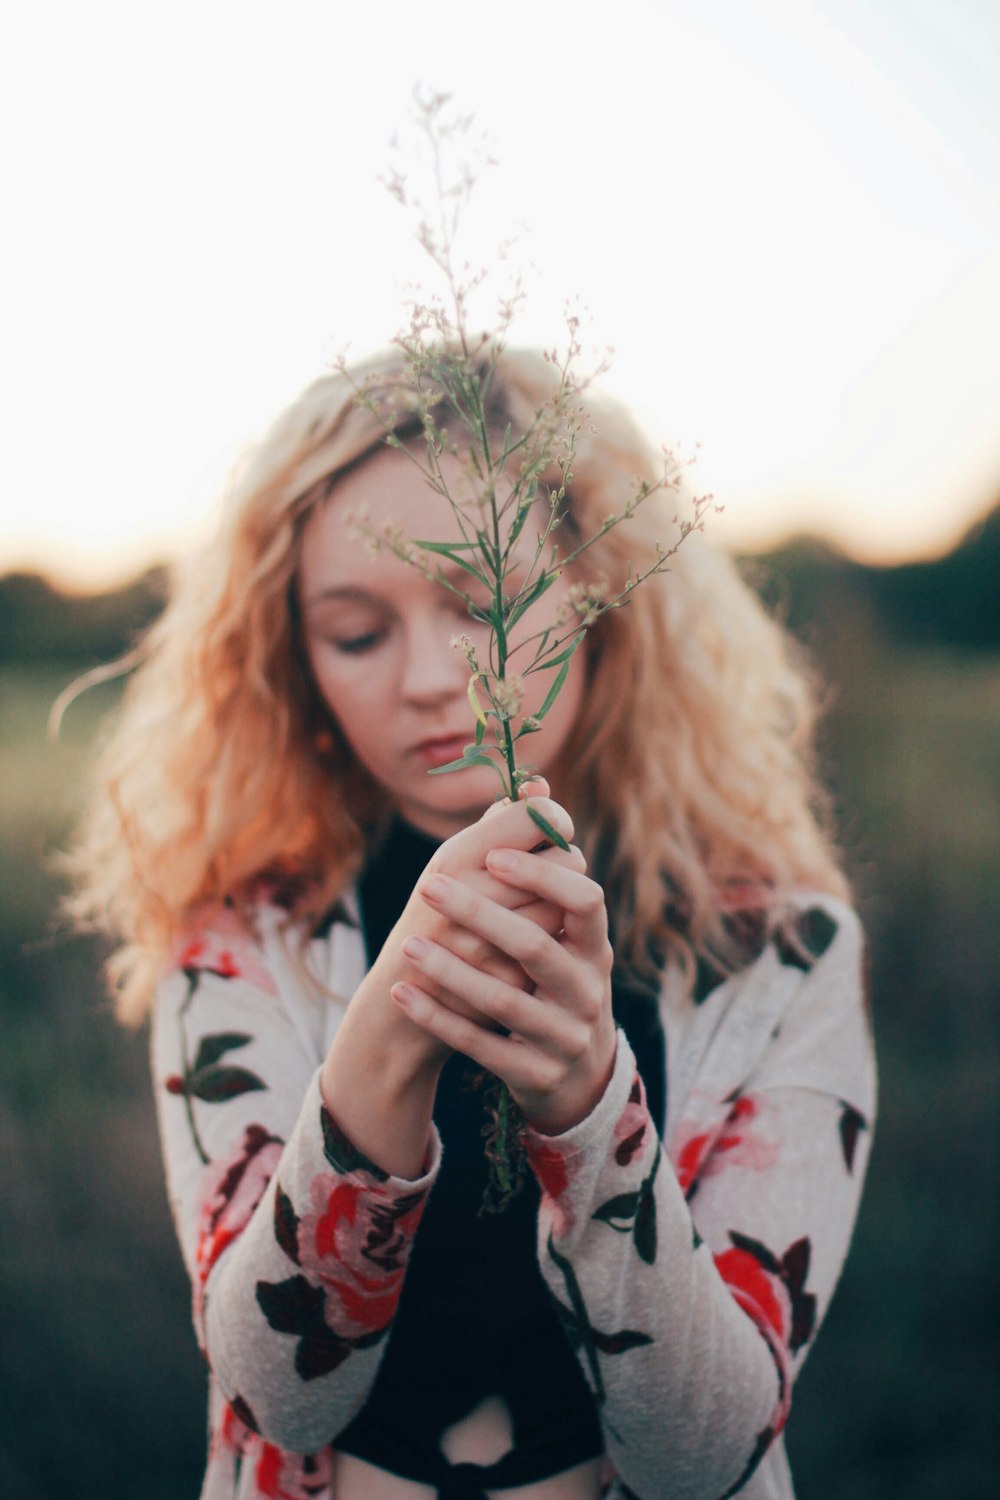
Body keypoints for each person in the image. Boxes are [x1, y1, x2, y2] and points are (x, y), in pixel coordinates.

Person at [66, 347, 876, 1500]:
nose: (433, 679)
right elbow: (278, 1392)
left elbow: (707, 1451)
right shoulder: (245, 941)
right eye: (356, 633)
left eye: (482, 602)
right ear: (295, 668)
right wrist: (376, 1066)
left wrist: (592, 1116)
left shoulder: (776, 956)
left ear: (606, 605)